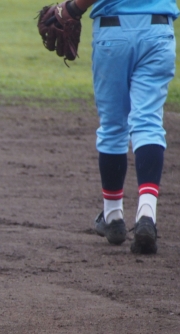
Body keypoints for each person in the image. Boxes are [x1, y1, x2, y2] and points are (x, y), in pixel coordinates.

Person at [53, 0, 178, 254]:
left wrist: (74, 8)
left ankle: (112, 216)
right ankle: (147, 213)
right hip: (158, 31)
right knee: (148, 123)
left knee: (113, 127)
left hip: (114, 31)